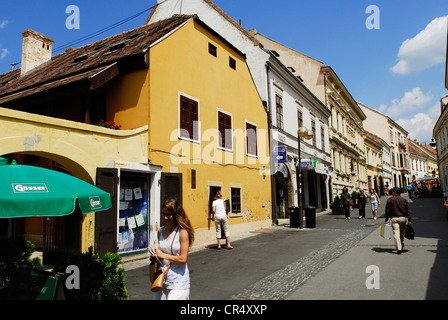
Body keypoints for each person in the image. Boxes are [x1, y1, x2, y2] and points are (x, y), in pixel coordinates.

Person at [153, 199, 195, 300]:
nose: (165, 217)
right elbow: (161, 252)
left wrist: (163, 255)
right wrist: (155, 257)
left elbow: (183, 259)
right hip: (162, 279)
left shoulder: (182, 232)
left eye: (169, 214)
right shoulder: (161, 230)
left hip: (178, 281)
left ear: (176, 214)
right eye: (163, 214)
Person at [384, 187, 412, 254]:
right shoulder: (404, 200)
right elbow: (408, 211)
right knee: (401, 233)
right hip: (402, 218)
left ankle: (398, 248)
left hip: (394, 218)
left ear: (395, 192)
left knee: (396, 233)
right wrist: (409, 219)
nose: (392, 193)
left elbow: (387, 210)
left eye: (392, 192)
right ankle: (401, 244)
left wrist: (386, 218)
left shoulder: (390, 200)